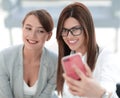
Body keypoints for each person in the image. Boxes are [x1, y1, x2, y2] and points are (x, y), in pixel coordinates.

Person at [56, 2, 119, 98]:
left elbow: (108, 88)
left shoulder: (106, 56)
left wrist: (98, 92)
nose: (69, 36)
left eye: (75, 29)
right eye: (65, 30)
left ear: (87, 29)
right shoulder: (67, 60)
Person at [0, 9, 58, 98]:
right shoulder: (4, 58)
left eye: (40, 31)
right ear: (22, 29)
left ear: (49, 36)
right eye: (28, 28)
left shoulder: (55, 62)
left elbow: (46, 96)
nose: (32, 35)